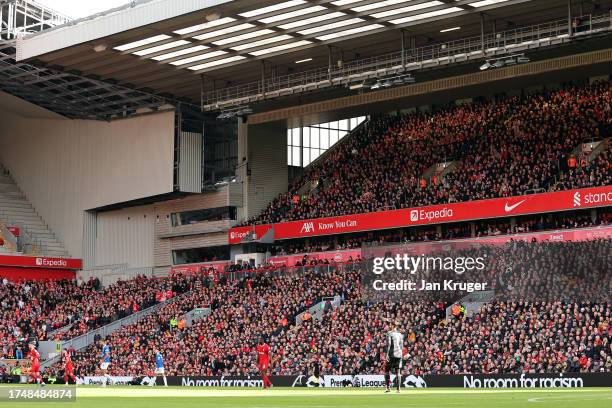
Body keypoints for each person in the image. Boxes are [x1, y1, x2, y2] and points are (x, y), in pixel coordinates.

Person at [384, 321, 404, 394]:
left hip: (391, 354)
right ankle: (398, 389)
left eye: (390, 325)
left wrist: (387, 354)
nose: (389, 326)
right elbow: (402, 346)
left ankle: (388, 388)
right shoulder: (400, 334)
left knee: (386, 370)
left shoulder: (389, 333)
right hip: (399, 354)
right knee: (398, 372)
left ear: (392, 326)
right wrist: (401, 353)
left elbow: (389, 344)